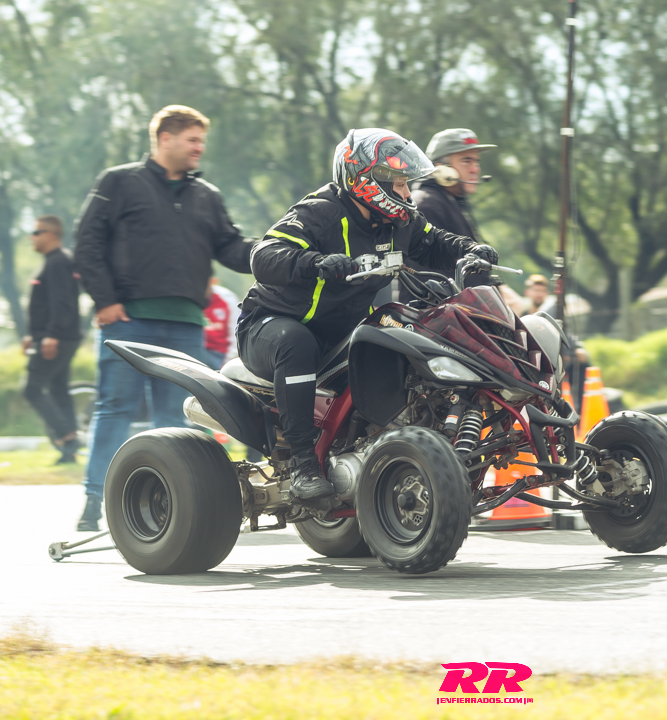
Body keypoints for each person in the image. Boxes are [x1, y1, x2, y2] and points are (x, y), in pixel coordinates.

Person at [237, 128, 496, 499]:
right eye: (400, 184)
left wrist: (471, 249)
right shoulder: (320, 211)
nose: (407, 193)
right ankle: (302, 465)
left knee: (397, 339)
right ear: (368, 181)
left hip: (341, 333)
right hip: (270, 325)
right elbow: (263, 256)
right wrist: (316, 263)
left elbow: (435, 241)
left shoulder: (399, 221)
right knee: (296, 343)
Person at [73, 105, 253, 531]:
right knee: (115, 409)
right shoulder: (118, 183)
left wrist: (276, 251)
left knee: (177, 416)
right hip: (128, 321)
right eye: (192, 140)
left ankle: (167, 504)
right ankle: (94, 503)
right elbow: (87, 243)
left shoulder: (206, 195)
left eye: (201, 141)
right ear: (165, 138)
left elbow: (230, 247)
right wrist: (104, 301)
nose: (199, 148)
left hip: (187, 325)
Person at [22, 215, 82, 464]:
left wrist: (52, 335)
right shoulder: (54, 261)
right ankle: (69, 449)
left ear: (50, 234)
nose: (32, 237)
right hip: (56, 336)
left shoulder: (58, 262)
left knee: (32, 388)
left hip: (58, 338)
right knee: (58, 389)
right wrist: (33, 335)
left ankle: (67, 436)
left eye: (36, 232)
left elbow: (62, 303)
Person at [203, 277, 239, 370]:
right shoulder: (191, 297)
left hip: (219, 355)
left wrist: (228, 361)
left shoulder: (227, 298)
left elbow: (235, 331)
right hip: (196, 349)